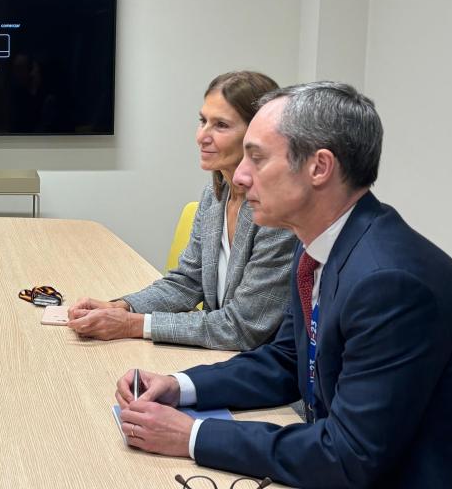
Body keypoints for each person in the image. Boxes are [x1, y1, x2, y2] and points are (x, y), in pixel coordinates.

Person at [115, 82, 452, 488]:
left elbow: (347, 457)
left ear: (319, 167)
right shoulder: (319, 246)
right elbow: (288, 361)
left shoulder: (390, 284)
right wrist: (181, 387)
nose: (242, 176)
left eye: (257, 158)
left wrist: (193, 435)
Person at [68, 71, 296, 350]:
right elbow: (187, 282)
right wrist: (122, 306)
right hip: (218, 357)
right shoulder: (214, 196)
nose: (202, 136)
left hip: (259, 371)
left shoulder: (278, 215)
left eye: (221, 125)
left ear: (257, 135)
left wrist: (133, 325)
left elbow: (242, 328)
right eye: (203, 121)